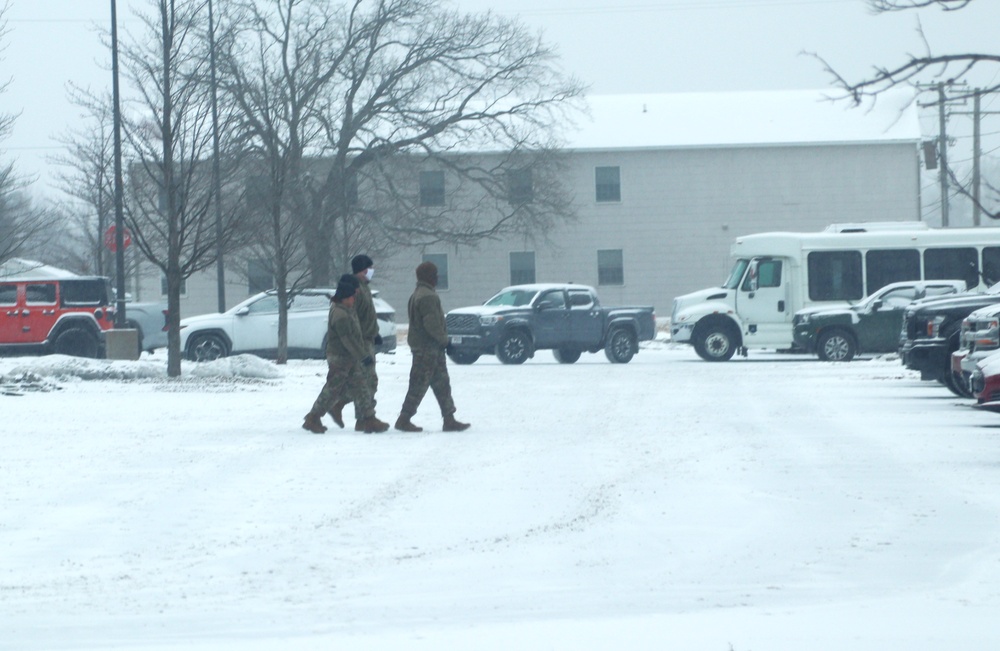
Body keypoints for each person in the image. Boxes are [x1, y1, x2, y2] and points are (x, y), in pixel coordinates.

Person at [302, 274, 389, 434]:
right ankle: (313, 418)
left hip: (350, 357)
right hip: (340, 358)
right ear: (344, 298)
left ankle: (368, 419)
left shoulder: (346, 310)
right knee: (332, 389)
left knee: (361, 386)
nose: (354, 300)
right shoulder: (340, 314)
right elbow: (348, 340)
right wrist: (363, 355)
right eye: (351, 297)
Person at [395, 261, 470, 432]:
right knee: (418, 384)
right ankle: (404, 418)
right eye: (435, 274)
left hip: (429, 348)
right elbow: (432, 324)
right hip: (427, 349)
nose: (437, 277)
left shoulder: (417, 294)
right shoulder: (428, 296)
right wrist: (445, 341)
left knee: (442, 384)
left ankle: (449, 418)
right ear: (429, 277)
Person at [329, 254, 381, 431]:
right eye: (369, 269)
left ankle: (349, 410)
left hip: (367, 337)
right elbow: (354, 316)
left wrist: (376, 333)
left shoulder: (364, 287)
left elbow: (368, 315)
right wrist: (360, 344)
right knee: (366, 381)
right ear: (362, 270)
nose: (371, 272)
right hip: (361, 341)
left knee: (365, 381)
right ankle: (364, 417)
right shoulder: (355, 290)